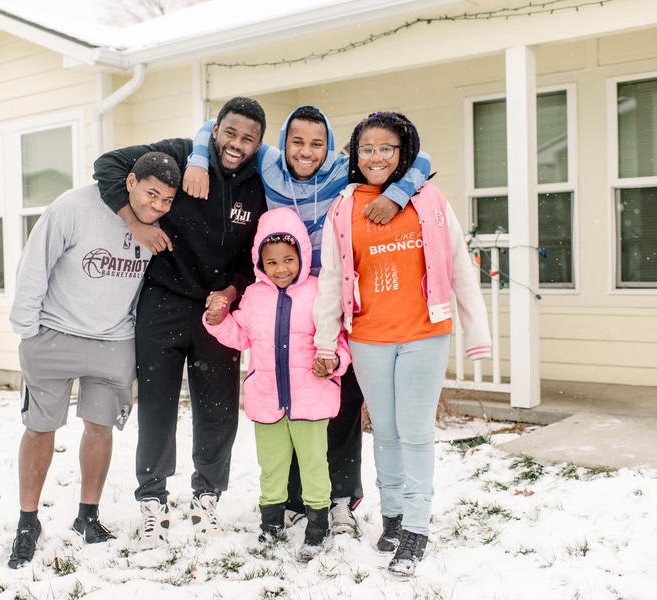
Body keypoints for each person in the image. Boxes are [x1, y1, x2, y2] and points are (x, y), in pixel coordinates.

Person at [182, 105, 432, 534]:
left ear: (330, 148)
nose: (306, 151)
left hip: (333, 296)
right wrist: (197, 159)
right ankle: (297, 499)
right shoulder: (268, 161)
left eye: (317, 143)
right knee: (291, 404)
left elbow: (420, 160)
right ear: (282, 143)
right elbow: (211, 126)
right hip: (282, 292)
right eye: (297, 141)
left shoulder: (343, 168)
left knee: (340, 403)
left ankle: (339, 499)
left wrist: (395, 194)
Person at [313, 112, 491, 577]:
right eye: (367, 148)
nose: (375, 157)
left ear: (403, 152)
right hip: (368, 336)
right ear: (356, 154)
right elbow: (332, 277)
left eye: (386, 148)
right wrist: (326, 339)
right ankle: (391, 514)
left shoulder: (429, 200)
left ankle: (416, 526)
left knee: (415, 432)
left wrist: (479, 333)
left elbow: (459, 268)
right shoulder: (344, 205)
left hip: (424, 334)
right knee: (386, 431)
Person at [92, 97, 267, 550]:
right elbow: (108, 165)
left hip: (218, 310)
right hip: (164, 301)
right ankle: (152, 503)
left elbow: (253, 260)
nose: (236, 144)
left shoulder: (260, 184)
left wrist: (230, 294)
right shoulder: (178, 153)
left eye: (249, 137)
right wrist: (135, 224)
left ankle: (207, 498)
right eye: (230, 132)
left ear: (259, 144)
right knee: (157, 405)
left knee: (218, 409)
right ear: (213, 129)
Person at [7, 152, 180, 568]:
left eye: (166, 200)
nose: (156, 206)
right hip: (54, 334)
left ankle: (88, 516)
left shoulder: (158, 225)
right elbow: (36, 263)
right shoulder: (74, 206)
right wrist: (28, 329)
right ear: (131, 181)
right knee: (40, 427)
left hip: (113, 340)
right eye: (151, 194)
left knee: (101, 428)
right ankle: (27, 522)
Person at [203, 207, 351, 562]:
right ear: (259, 262)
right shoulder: (254, 297)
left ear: (303, 254)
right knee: (272, 465)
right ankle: (271, 523)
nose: (281, 268)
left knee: (314, 462)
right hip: (267, 398)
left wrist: (332, 361)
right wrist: (216, 320)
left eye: (288, 259)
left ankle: (318, 524)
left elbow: (339, 339)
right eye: (271, 262)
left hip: (311, 397)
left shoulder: (319, 293)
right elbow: (240, 336)